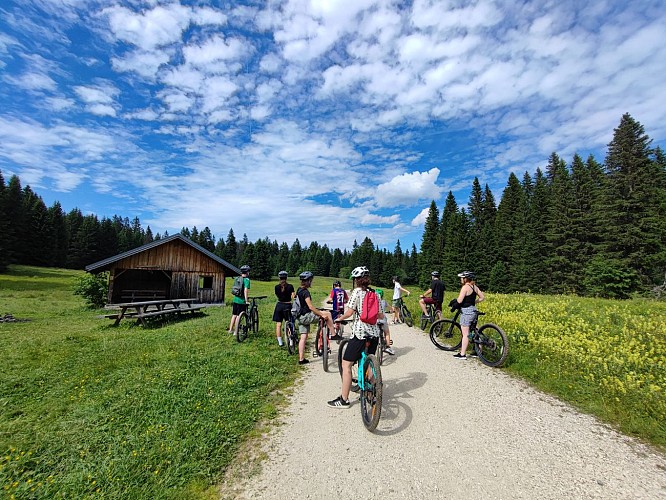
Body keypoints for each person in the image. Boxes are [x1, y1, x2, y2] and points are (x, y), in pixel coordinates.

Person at [328, 266, 385, 408]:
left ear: (357, 280)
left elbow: (349, 312)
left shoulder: (357, 292)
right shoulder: (376, 294)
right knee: (370, 362)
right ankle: (371, 393)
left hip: (360, 334)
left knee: (346, 365)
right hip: (374, 334)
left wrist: (339, 319)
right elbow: (381, 315)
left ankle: (344, 400)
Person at [294, 271, 336, 365]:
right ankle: (333, 334)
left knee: (303, 337)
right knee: (328, 314)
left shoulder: (299, 290)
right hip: (306, 316)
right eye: (311, 281)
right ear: (308, 281)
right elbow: (310, 307)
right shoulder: (305, 292)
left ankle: (301, 359)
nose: (311, 282)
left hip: (300, 317)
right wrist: (321, 314)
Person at [451, 271, 485, 360]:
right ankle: (479, 351)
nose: (460, 280)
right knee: (476, 331)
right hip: (474, 310)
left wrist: (454, 306)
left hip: (467, 312)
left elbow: (459, 301)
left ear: (465, 279)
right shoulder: (474, 286)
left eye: (461, 278)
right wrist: (474, 302)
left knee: (465, 334)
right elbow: (482, 297)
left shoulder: (465, 287)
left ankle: (462, 354)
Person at [273, 271, 295, 347]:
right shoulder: (290, 286)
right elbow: (293, 297)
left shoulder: (276, 287)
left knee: (278, 324)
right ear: (286, 278)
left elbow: (277, 295)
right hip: (288, 305)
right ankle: (291, 341)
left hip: (279, 305)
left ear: (279, 278)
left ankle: (280, 342)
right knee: (289, 323)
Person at [228, 265, 251, 334]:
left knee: (234, 315)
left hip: (235, 299)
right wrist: (246, 300)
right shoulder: (246, 280)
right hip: (242, 301)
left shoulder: (237, 278)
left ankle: (230, 329)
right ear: (247, 272)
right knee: (239, 316)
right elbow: (245, 290)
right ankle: (236, 331)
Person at [376, 289, 395, 356]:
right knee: (387, 333)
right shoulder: (384, 301)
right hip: (383, 320)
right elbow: (392, 309)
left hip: (375, 321)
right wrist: (391, 311)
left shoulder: (373, 301)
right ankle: (387, 347)